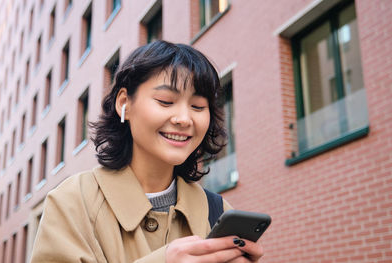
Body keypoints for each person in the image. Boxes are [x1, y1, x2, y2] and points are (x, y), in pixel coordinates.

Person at [30, 41, 264, 262]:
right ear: (124, 103)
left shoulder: (218, 211)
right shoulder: (72, 201)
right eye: (165, 101)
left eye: (198, 107)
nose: (184, 119)